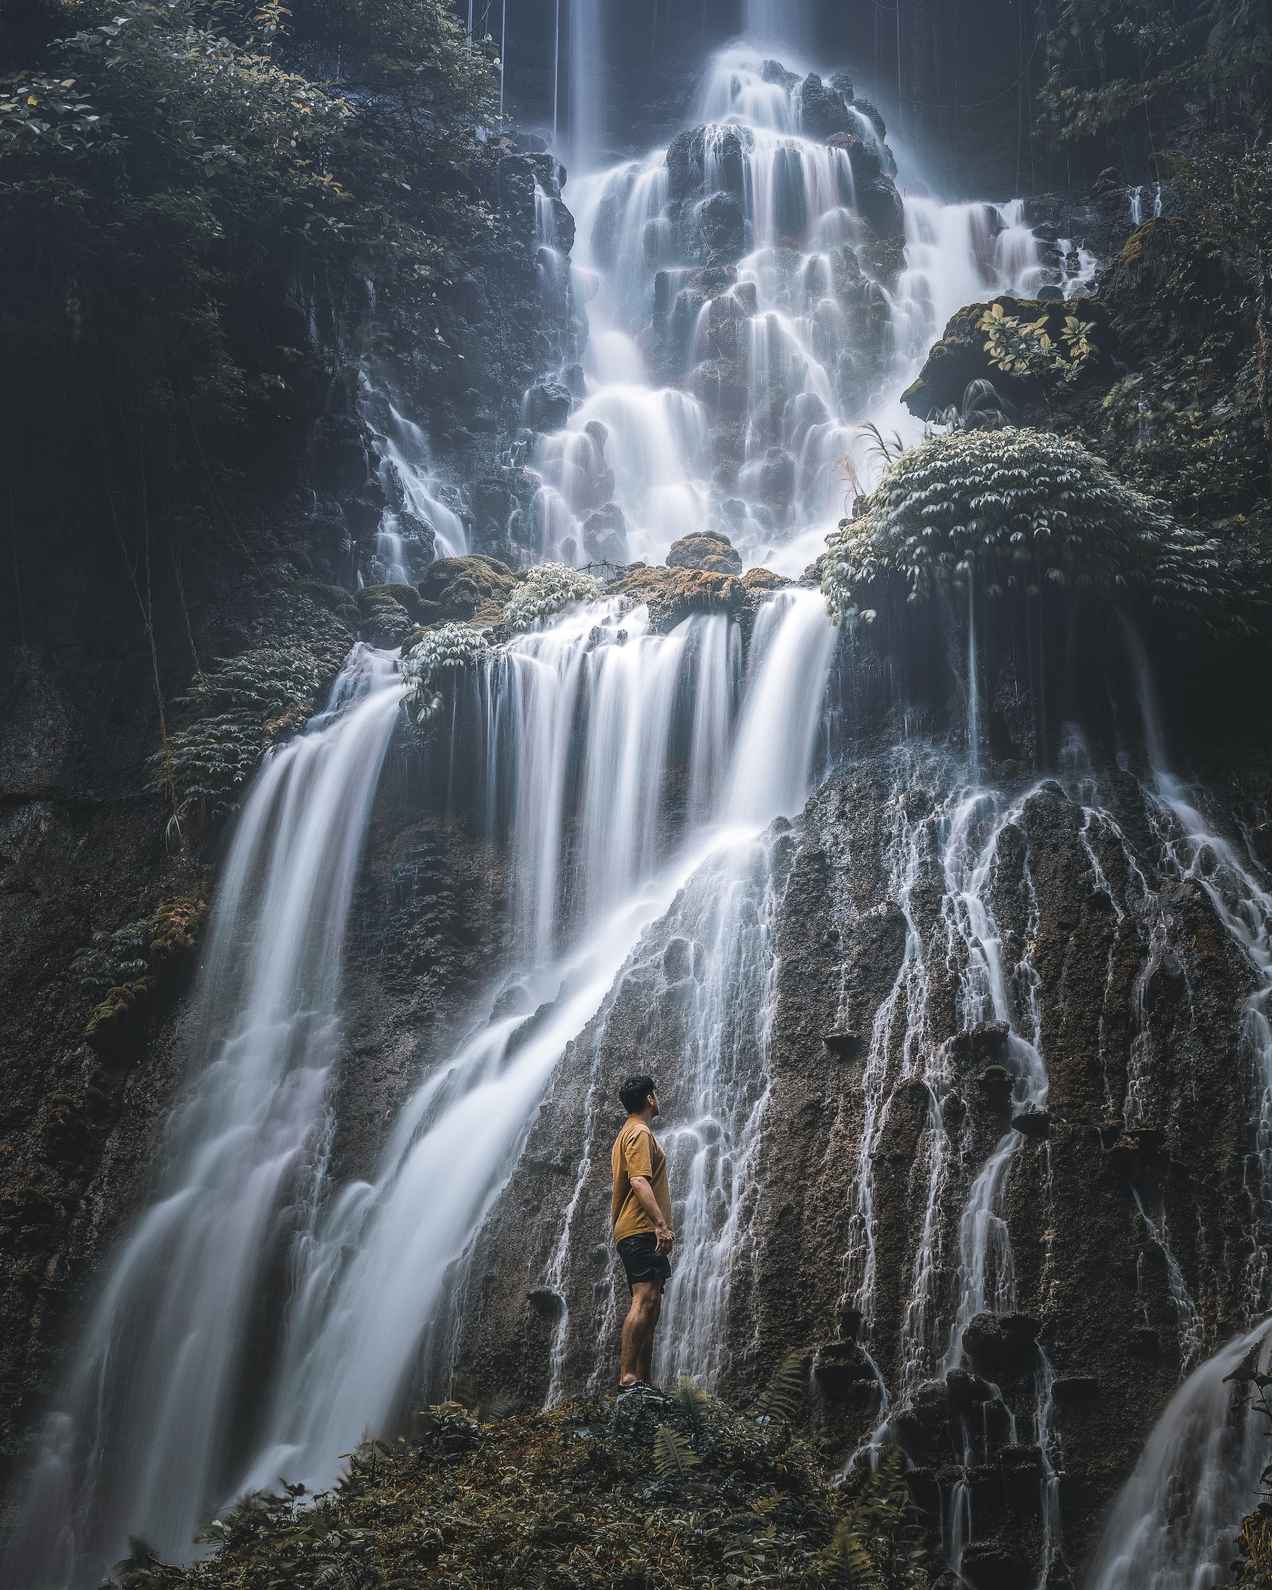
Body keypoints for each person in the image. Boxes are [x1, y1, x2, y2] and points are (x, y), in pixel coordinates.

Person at [611, 1074, 674, 1392]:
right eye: (657, 1095)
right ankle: (628, 1376)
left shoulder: (629, 1132)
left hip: (636, 1230)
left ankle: (644, 1379)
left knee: (652, 1304)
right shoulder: (638, 1132)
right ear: (650, 1098)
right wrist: (660, 1225)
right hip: (640, 1228)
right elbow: (638, 1180)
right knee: (644, 1298)